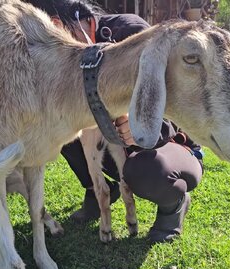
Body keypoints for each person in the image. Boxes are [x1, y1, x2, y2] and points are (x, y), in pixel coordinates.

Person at [28, 0, 204, 243]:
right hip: (117, 145)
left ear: (62, 25)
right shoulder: (69, 65)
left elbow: (177, 100)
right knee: (63, 127)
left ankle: (173, 204)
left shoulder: (130, 32)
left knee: (145, 170)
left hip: (168, 145)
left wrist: (144, 124)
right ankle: (97, 191)